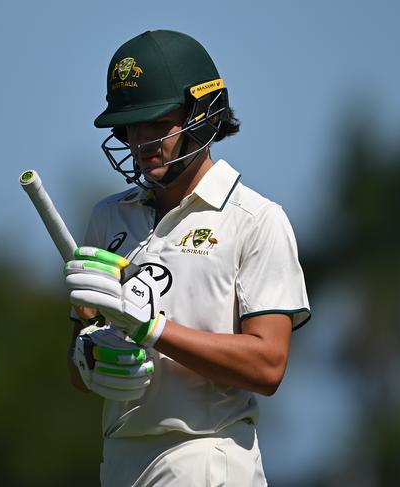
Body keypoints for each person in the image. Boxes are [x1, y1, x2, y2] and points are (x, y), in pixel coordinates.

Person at [65, 29, 310, 486]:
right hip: (119, 459)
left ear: (203, 115)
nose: (142, 140)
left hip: (204, 456)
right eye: (132, 126)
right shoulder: (107, 218)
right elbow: (82, 364)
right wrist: (88, 358)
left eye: (159, 123)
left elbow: (268, 364)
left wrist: (153, 327)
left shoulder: (255, 219)